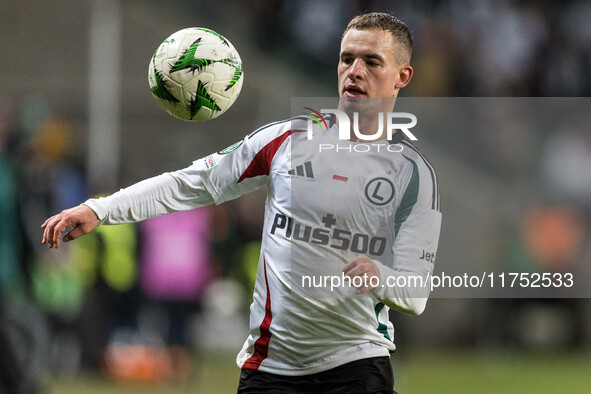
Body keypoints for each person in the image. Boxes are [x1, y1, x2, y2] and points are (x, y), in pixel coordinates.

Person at [42, 12, 441, 393]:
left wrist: (380, 277)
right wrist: (101, 208)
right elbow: (190, 183)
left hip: (358, 366)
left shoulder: (413, 175)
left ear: (401, 77)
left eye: (372, 61)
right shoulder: (285, 141)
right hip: (270, 369)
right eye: (347, 58)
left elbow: (416, 296)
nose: (355, 70)